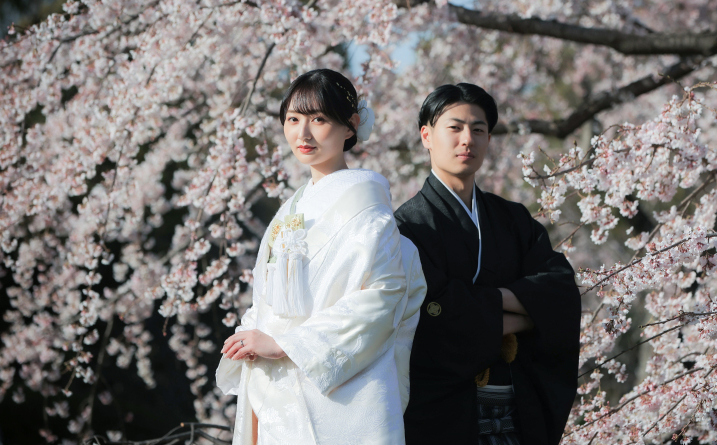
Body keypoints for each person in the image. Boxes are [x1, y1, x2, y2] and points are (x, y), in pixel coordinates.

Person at [216, 69, 427, 445]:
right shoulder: (291, 210)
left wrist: (286, 344)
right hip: (275, 387)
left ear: (351, 127)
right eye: (294, 120)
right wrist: (250, 335)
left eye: (319, 119)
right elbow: (268, 299)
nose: (303, 133)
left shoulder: (369, 210)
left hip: (337, 399)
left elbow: (382, 298)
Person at [395, 83, 581, 445]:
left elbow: (560, 291)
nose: (468, 139)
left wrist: (480, 305)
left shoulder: (511, 218)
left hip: (515, 409)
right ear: (427, 136)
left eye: (479, 130)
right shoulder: (408, 227)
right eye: (455, 127)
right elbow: (436, 319)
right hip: (445, 416)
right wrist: (529, 312)